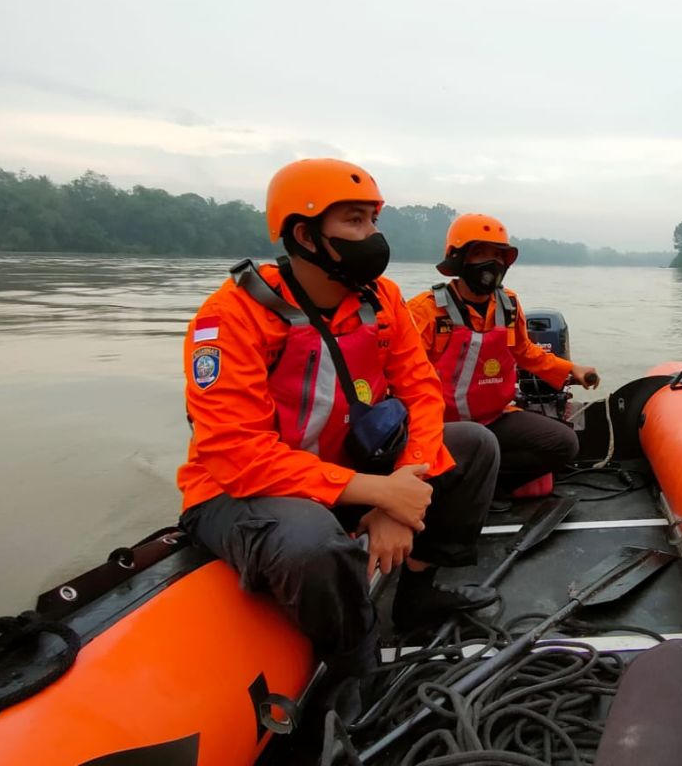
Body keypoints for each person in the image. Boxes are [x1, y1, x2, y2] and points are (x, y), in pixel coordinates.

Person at [176, 159, 500, 694]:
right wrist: (377, 492)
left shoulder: (383, 300)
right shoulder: (229, 318)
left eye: (373, 221)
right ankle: (356, 662)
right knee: (312, 543)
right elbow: (236, 455)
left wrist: (404, 489)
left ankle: (418, 594)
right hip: (238, 490)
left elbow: (421, 393)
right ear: (305, 235)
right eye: (355, 221)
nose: (372, 237)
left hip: (343, 469)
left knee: (474, 445)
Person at [408, 214, 599, 499]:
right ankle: (462, 485)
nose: (492, 263)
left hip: (494, 418)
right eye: (480, 254)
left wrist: (573, 370)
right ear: (459, 259)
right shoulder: (425, 311)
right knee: (462, 453)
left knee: (564, 444)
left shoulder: (508, 304)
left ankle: (489, 488)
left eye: (499, 255)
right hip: (441, 425)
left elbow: (525, 352)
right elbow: (403, 375)